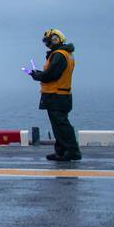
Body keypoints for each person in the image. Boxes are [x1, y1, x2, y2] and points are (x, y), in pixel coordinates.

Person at [30, 28, 81, 162]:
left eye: (48, 42)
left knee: (61, 125)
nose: (47, 45)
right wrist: (40, 74)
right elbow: (54, 73)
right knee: (58, 126)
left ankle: (72, 151)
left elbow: (51, 75)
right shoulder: (66, 54)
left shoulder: (59, 55)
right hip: (60, 94)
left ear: (55, 39)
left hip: (57, 95)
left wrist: (37, 76)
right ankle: (61, 151)